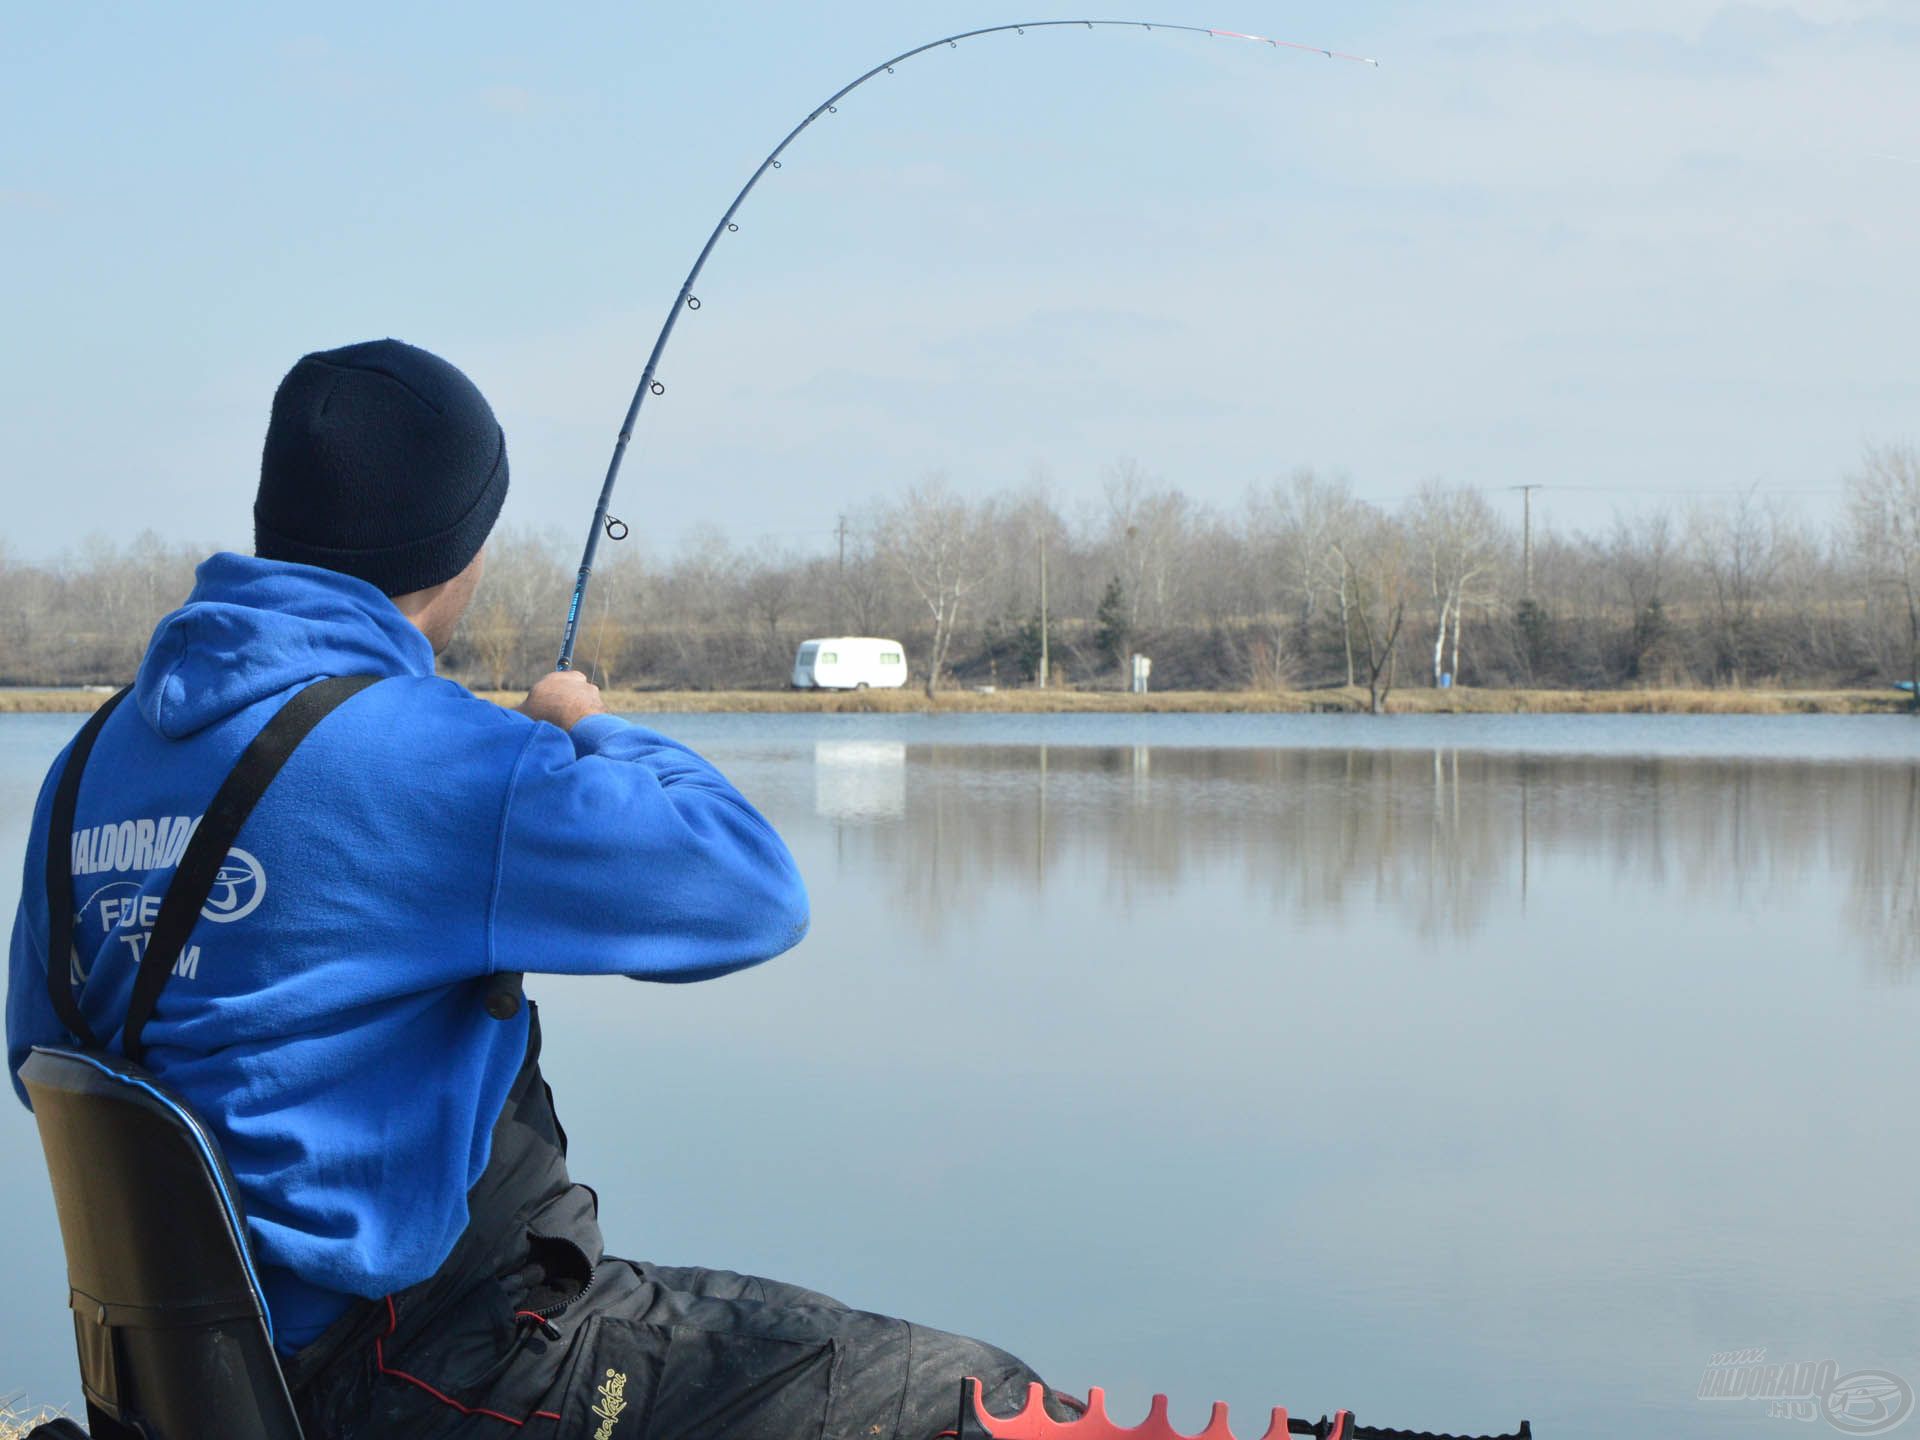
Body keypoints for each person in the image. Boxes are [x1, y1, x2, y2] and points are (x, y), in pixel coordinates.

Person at [7, 340, 1068, 1438]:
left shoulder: (89, 761)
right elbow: (751, 884)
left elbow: (41, 1069)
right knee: (986, 1403)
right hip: (427, 1369)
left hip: (194, 1389)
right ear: (458, 548)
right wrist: (585, 727)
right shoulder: (435, 757)